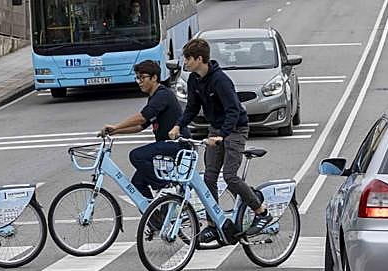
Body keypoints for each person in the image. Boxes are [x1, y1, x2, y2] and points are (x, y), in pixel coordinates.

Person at [171, 37, 272, 240]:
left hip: (235, 129)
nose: (185, 63)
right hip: (216, 129)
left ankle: (262, 212)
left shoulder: (220, 80)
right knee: (208, 177)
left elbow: (233, 110)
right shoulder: (194, 79)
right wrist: (178, 125)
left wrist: (222, 136)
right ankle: (213, 223)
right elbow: (192, 107)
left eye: (188, 59)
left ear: (199, 59)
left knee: (230, 176)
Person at [99, 60, 189, 200]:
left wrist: (117, 125)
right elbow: (141, 126)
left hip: (178, 145)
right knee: (137, 183)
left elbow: (142, 117)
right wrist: (115, 131)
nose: (139, 82)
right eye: (137, 78)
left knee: (136, 156)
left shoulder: (163, 95)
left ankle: (166, 187)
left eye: (142, 77)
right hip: (166, 145)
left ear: (154, 78)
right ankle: (156, 219)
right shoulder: (154, 97)